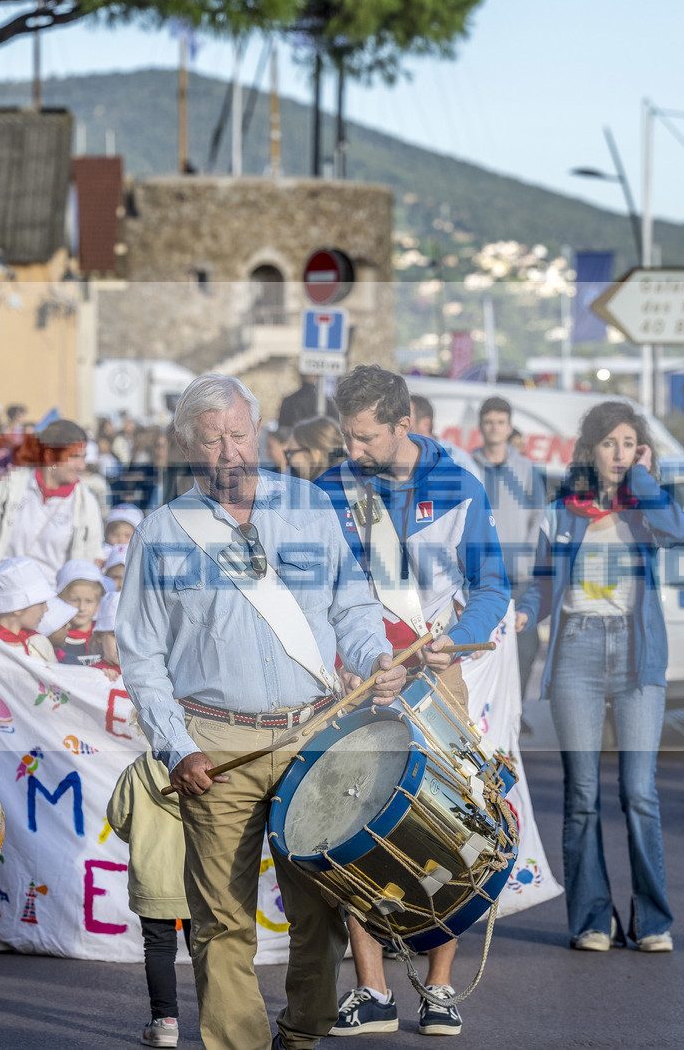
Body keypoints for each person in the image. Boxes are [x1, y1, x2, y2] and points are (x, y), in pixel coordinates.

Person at [118, 373, 407, 1050]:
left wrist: (374, 656)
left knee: (322, 914)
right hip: (215, 746)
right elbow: (141, 657)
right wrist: (175, 745)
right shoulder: (160, 532)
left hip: (313, 735)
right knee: (221, 922)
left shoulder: (309, 506)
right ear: (186, 446)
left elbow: (353, 606)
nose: (229, 451)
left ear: (259, 433)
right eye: (212, 439)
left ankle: (301, 1034)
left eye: (239, 434)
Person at [313, 366, 509, 1038]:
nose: (353, 449)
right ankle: (371, 990)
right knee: (350, 825)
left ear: (404, 424)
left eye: (366, 437)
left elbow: (493, 586)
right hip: (358, 677)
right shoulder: (330, 490)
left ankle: (440, 987)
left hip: (434, 674)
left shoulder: (459, 487)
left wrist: (457, 637)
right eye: (347, 435)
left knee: (446, 825)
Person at [516, 401, 684, 953]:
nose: (619, 452)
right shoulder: (560, 512)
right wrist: (523, 612)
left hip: (639, 654)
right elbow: (542, 584)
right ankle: (593, 919)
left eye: (629, 443)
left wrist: (642, 479)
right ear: (590, 450)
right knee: (583, 795)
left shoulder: (647, 508)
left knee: (640, 793)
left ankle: (653, 921)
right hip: (578, 649)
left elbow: (681, 529)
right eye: (610, 443)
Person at [0, 419, 104, 628]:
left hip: (50, 618)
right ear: (50, 455)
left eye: (83, 457)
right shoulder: (9, 487)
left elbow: (88, 567)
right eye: (75, 457)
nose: (82, 466)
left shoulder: (86, 504)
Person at [108, 752, 192, 1049]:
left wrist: (143, 838)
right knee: (209, 949)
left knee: (158, 947)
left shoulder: (137, 770)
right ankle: (220, 1021)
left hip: (153, 873)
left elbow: (118, 818)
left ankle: (164, 1024)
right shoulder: (208, 769)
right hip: (200, 874)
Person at [471, 395, 548, 699]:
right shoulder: (468, 466)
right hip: (480, 577)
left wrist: (526, 561)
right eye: (488, 422)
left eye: (500, 422)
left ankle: (517, 709)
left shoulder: (526, 469)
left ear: (509, 427)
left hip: (519, 576)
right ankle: (487, 711)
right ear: (480, 426)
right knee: (482, 646)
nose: (494, 427)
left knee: (525, 647)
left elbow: (538, 517)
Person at [408, 393, 483, 481]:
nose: (400, 423)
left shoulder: (458, 460)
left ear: (425, 424)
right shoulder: (397, 457)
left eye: (407, 418)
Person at [52, 558, 112, 667]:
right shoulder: (53, 639)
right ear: (59, 600)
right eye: (74, 600)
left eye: (89, 601)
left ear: (98, 604)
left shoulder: (107, 638)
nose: (82, 608)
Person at [283, 415, 343, 482]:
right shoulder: (344, 481)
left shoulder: (321, 486)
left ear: (315, 453)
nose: (288, 463)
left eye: (291, 453)